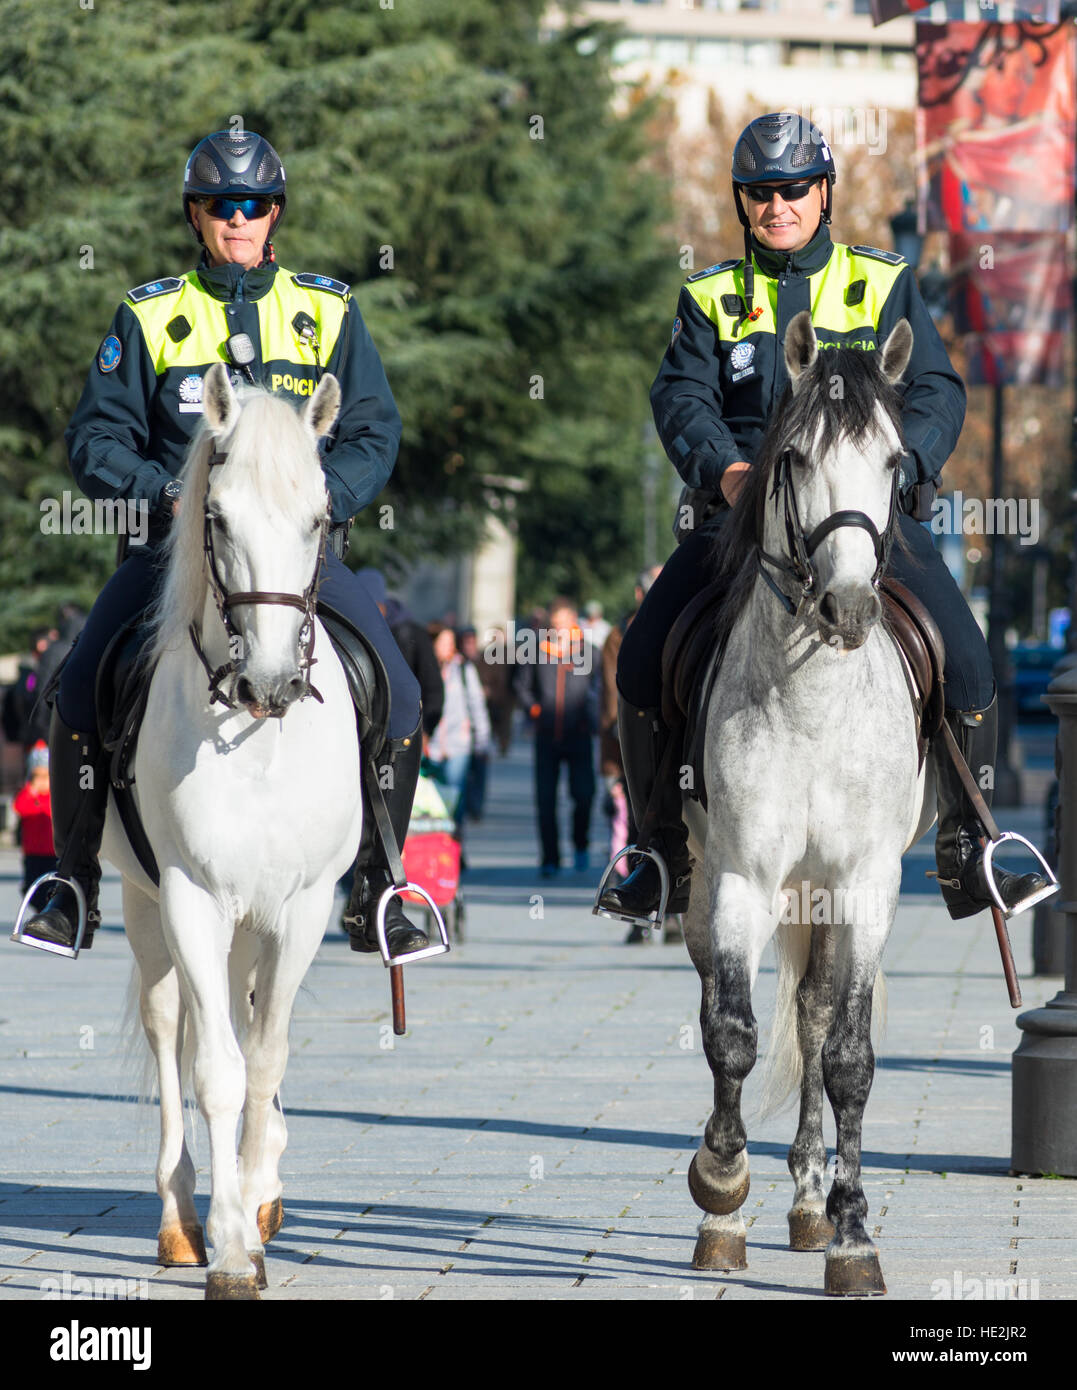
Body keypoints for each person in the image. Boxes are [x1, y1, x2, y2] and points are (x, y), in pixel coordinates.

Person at [598, 111, 1048, 926]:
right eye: (760, 192)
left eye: (794, 189)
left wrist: (904, 462)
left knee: (972, 668)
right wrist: (724, 470)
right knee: (636, 667)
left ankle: (966, 844)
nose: (778, 205)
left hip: (863, 522)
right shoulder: (708, 295)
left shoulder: (882, 279)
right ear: (742, 202)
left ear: (823, 191)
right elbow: (681, 397)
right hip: (740, 522)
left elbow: (939, 387)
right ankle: (658, 847)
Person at [16, 129, 429, 962]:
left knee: (402, 693)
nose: (237, 219)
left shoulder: (329, 308)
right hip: (168, 558)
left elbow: (373, 433)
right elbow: (97, 437)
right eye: (219, 205)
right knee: (79, 684)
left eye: (253, 205)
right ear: (195, 214)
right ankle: (70, 882)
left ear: (275, 212)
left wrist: (319, 499)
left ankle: (382, 885)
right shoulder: (147, 313)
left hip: (300, 561)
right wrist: (165, 494)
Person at [600, 566, 662, 942]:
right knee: (638, 824)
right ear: (640, 595)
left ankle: (674, 917)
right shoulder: (619, 634)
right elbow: (612, 697)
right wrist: (616, 754)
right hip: (635, 737)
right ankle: (642, 903)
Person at [519, 598, 599, 877]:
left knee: (585, 795)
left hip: (580, 736)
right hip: (546, 737)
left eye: (565, 624)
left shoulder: (589, 652)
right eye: (556, 625)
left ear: (574, 622)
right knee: (545, 800)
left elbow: (600, 686)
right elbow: (522, 686)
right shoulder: (536, 651)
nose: (560, 630)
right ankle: (550, 858)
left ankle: (580, 845)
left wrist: (593, 714)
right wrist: (535, 709)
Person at [425, 626, 491, 845]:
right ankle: (433, 848)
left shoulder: (463, 670)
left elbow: (476, 704)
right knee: (431, 803)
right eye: (443, 643)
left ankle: (454, 847)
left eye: (451, 643)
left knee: (455, 801)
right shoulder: (423, 668)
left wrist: (482, 738)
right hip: (430, 746)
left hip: (458, 746)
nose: (448, 648)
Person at [14, 742, 56, 894]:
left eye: (46, 776)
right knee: (31, 887)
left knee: (51, 886)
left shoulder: (54, 797)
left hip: (52, 853)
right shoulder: (29, 795)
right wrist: (30, 790)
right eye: (37, 776)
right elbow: (20, 808)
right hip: (33, 853)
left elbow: (52, 813)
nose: (42, 781)